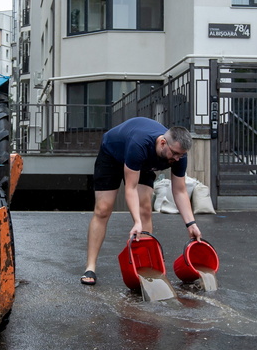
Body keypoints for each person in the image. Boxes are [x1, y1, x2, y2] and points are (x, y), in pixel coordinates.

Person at [81, 117, 202, 285]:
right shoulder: (139, 144)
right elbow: (130, 188)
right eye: (174, 153)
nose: (176, 158)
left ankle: (145, 268)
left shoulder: (178, 155)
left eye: (180, 155)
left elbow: (180, 190)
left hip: (143, 163)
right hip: (112, 154)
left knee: (145, 208)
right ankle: (90, 266)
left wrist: (191, 224)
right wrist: (136, 222)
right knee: (103, 209)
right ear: (162, 143)